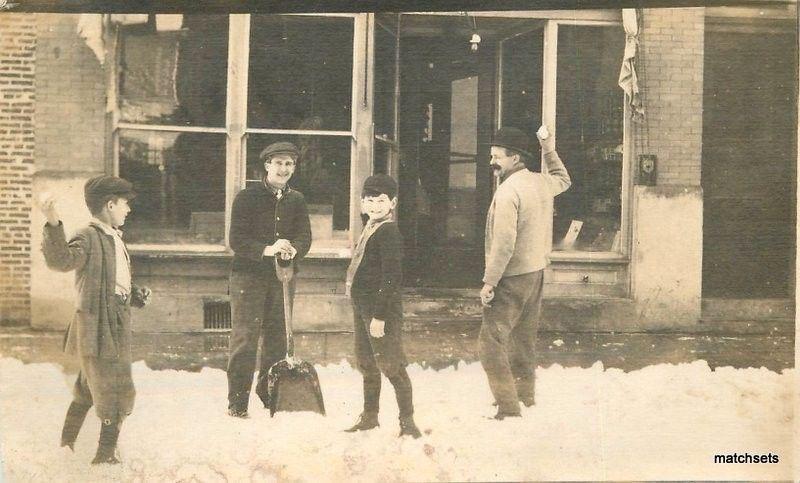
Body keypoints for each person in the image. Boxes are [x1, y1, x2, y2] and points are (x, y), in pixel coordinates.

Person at [39, 175, 151, 464]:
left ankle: (66, 444)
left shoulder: (113, 237)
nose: (128, 210)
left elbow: (113, 280)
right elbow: (61, 260)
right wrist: (53, 223)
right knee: (115, 390)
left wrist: (135, 294)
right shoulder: (88, 236)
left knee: (88, 388)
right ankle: (104, 456)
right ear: (110, 204)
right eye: (125, 204)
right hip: (97, 326)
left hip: (115, 323)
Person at [479, 126, 571, 420]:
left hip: (511, 277)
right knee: (523, 340)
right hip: (535, 273)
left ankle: (508, 406)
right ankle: (525, 397)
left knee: (490, 343)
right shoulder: (539, 183)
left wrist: (489, 282)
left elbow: (504, 245)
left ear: (516, 158)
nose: (492, 162)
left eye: (497, 157)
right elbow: (563, 179)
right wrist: (547, 147)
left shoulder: (508, 192)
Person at [226, 141, 312, 418]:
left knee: (278, 339)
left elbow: (304, 237)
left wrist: (294, 249)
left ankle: (269, 395)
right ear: (266, 165)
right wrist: (268, 249)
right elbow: (236, 240)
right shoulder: (247, 197)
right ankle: (237, 402)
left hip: (283, 278)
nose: (284, 169)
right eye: (279, 163)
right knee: (245, 340)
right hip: (248, 278)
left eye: (289, 164)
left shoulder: (297, 200)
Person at [343, 174, 422, 438]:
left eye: (381, 200)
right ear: (362, 203)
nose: (375, 206)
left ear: (393, 203)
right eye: (370, 200)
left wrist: (379, 316)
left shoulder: (388, 232)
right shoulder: (371, 226)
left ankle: (408, 423)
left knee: (391, 364)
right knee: (367, 362)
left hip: (381, 310)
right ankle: (369, 416)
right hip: (363, 305)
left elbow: (391, 277)